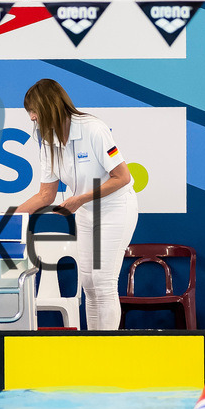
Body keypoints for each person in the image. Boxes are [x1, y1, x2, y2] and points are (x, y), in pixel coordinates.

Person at [15, 78, 138, 330]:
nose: (31, 119)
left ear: (48, 107)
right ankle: (94, 347)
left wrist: (80, 198)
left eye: (34, 112)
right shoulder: (47, 141)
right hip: (85, 210)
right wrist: (10, 218)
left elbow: (122, 178)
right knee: (89, 285)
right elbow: (46, 195)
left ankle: (107, 348)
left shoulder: (94, 129)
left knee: (103, 281)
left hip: (115, 208)